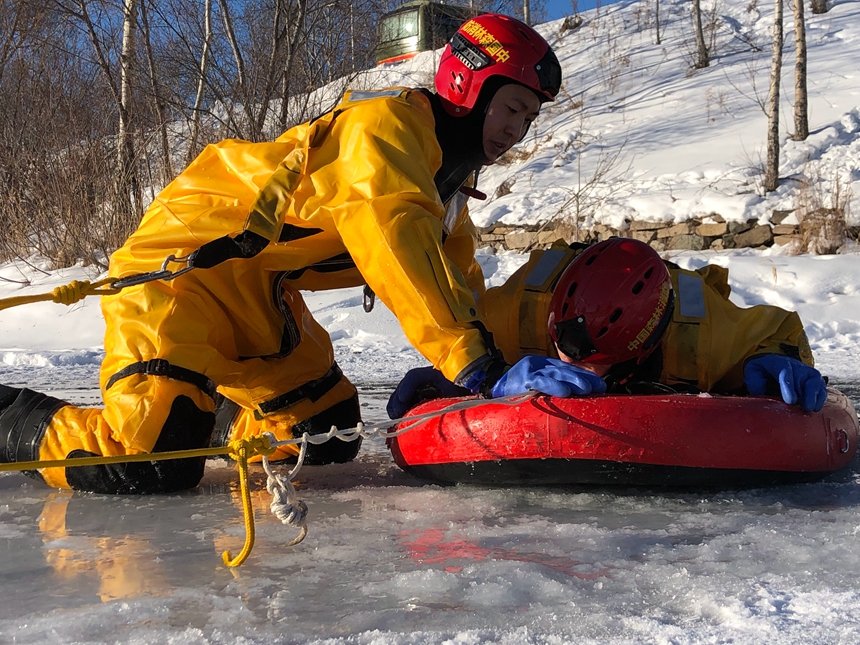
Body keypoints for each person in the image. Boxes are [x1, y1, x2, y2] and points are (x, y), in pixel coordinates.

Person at [0, 14, 588, 494]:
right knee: (152, 460)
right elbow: (398, 245)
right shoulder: (384, 134)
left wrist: (455, 371)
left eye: (530, 118)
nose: (519, 130)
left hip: (257, 295)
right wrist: (476, 367)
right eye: (512, 108)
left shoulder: (448, 189)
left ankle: (204, 404)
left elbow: (459, 289)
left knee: (325, 437)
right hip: (178, 276)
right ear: (469, 85)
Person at [388, 237, 827, 418]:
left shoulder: (705, 336)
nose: (574, 368)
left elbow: (777, 328)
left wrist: (780, 358)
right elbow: (457, 331)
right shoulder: (515, 311)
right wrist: (466, 379)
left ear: (641, 348)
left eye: (600, 362)